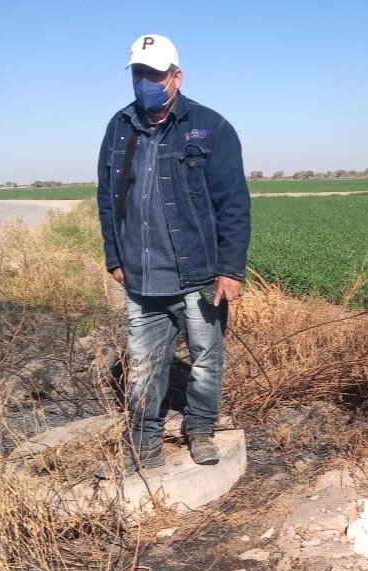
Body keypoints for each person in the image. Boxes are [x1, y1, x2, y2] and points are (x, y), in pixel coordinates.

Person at [95, 34, 251, 476]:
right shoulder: (119, 126)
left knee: (205, 358)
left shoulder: (210, 127)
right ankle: (145, 440)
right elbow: (108, 198)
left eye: (155, 74)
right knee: (144, 363)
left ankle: (200, 429)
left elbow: (234, 204)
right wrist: (115, 258)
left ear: (176, 77)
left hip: (199, 273)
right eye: (139, 73)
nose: (146, 82)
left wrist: (230, 270)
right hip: (143, 277)